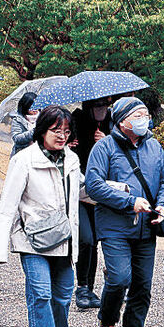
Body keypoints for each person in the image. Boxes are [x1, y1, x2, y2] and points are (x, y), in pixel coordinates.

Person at [0, 106, 81, 327]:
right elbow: (8, 206)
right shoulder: (24, 160)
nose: (62, 136)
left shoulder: (72, 159)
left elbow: (83, 191)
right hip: (32, 240)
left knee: (63, 297)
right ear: (42, 130)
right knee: (40, 294)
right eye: (56, 130)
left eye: (66, 131)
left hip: (64, 238)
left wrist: (120, 193)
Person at [85, 97, 164, 327]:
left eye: (145, 114)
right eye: (137, 115)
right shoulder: (104, 148)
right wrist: (129, 201)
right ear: (122, 120)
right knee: (119, 278)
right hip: (114, 227)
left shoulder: (154, 146)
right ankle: (107, 320)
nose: (143, 119)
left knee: (142, 286)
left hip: (147, 227)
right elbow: (94, 185)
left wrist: (163, 206)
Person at [69, 98, 112, 310]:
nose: (101, 110)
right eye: (97, 106)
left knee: (100, 241)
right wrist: (67, 144)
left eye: (104, 105)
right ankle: (82, 288)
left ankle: (96, 288)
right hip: (80, 192)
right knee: (86, 239)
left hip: (104, 193)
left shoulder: (112, 123)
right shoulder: (74, 121)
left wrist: (106, 141)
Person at [10, 92, 38, 157]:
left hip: (39, 154)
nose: (35, 108)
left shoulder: (43, 116)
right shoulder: (18, 119)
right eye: (32, 106)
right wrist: (34, 131)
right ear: (26, 106)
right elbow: (17, 138)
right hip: (23, 154)